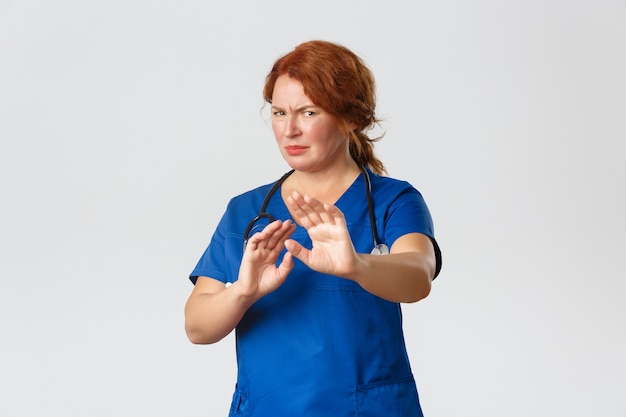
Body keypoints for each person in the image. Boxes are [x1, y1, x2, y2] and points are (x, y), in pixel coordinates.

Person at [185, 39, 442, 417]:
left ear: (350, 117)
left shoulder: (392, 201)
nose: (289, 130)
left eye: (308, 113)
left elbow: (418, 275)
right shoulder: (247, 211)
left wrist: (357, 265)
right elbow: (197, 327)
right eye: (278, 112)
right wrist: (242, 292)